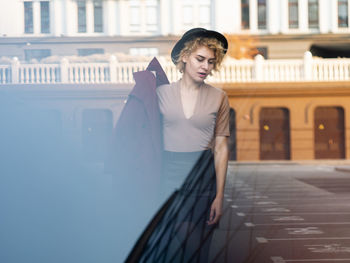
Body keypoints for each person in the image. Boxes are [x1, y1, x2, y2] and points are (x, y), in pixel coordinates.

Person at [156, 28, 230, 262]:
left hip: (202, 175)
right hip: (168, 174)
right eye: (200, 59)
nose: (205, 67)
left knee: (199, 246)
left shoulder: (219, 97)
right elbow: (144, 135)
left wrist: (219, 195)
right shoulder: (160, 93)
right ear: (185, 56)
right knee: (171, 243)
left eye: (210, 62)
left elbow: (220, 148)